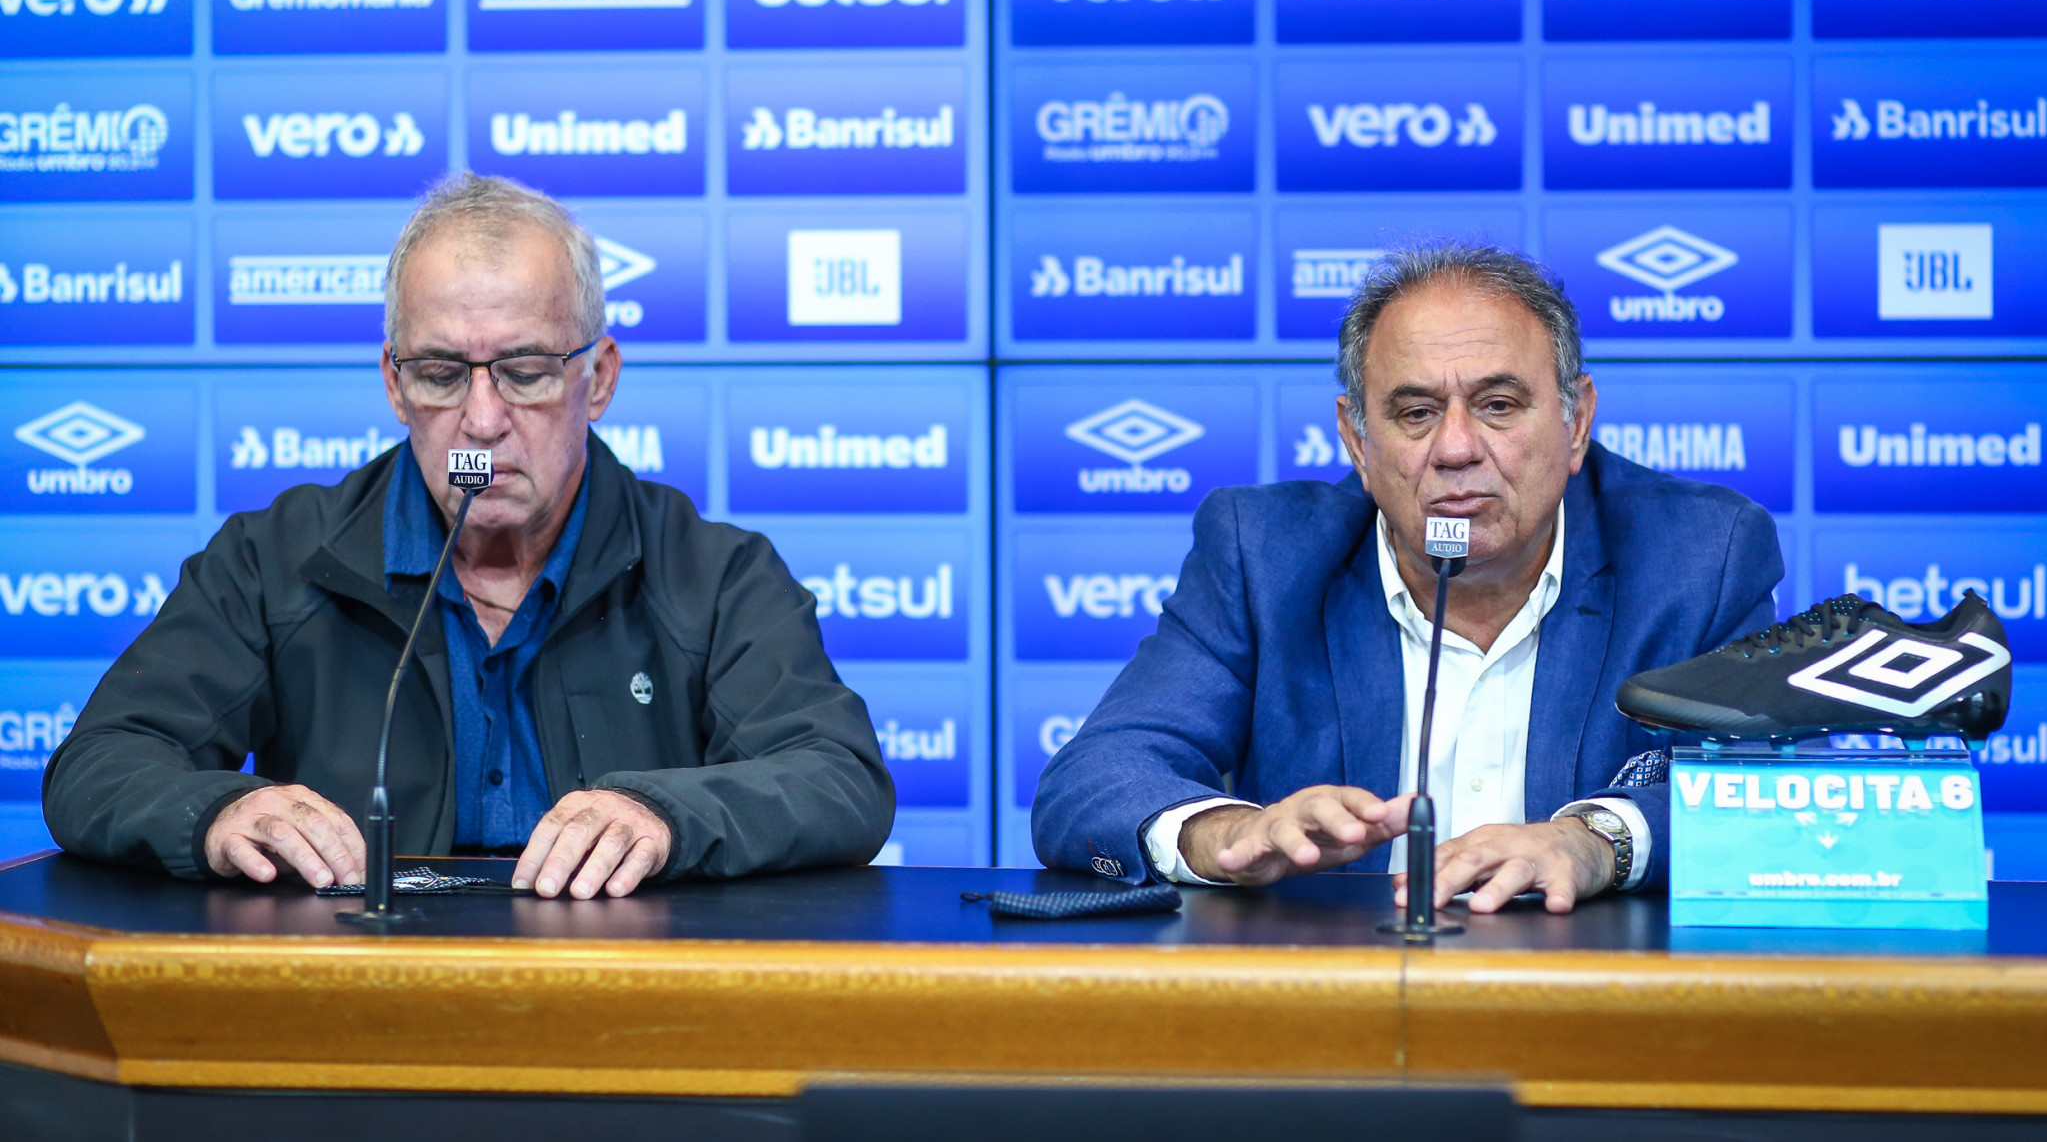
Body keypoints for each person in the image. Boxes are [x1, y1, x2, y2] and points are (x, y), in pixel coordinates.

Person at [45, 173, 895, 899]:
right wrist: (216, 813)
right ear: (394, 384)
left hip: (629, 998)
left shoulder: (714, 573)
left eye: (524, 372)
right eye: (441, 374)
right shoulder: (275, 560)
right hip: (357, 996)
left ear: (597, 379)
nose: (482, 422)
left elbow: (838, 777)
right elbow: (100, 761)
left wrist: (667, 816)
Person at [1032, 244, 1782, 913]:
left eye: (1497, 406)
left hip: (1591, 996)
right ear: (1357, 442)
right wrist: (1225, 833)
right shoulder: (1262, 553)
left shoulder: (1699, 556)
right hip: (1335, 994)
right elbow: (1095, 776)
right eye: (1416, 413)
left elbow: (1764, 794)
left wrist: (1596, 840)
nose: (1455, 448)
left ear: (1576, 421)